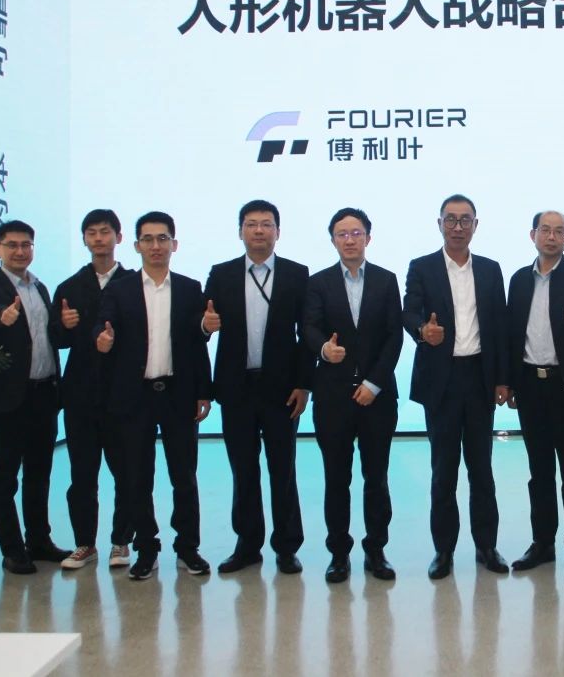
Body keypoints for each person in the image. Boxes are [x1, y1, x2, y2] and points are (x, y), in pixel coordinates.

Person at [96, 211, 212, 580]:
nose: (156, 246)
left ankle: (188, 548)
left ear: (174, 244)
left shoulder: (190, 288)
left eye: (163, 238)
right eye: (148, 239)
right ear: (136, 246)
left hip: (178, 394)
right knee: (137, 477)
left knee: (184, 476)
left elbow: (197, 342)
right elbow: (103, 325)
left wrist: (204, 390)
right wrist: (102, 338)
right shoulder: (120, 289)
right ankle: (146, 549)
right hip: (135, 396)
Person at [402, 194, 510, 579]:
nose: (458, 227)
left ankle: (486, 547)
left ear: (475, 226)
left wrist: (503, 378)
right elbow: (409, 310)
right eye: (451, 220)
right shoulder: (422, 267)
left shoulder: (490, 269)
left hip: (479, 378)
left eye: (466, 220)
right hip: (441, 383)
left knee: (482, 470)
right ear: (440, 224)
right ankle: (444, 551)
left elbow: (500, 326)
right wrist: (422, 330)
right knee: (443, 471)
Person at [202, 200, 310, 576]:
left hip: (282, 390)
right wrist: (204, 326)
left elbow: (306, 334)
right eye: (251, 224)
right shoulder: (222, 274)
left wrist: (304, 384)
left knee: (283, 470)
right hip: (237, 388)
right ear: (240, 232)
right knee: (243, 469)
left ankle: (287, 547)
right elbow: (204, 322)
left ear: (278, 231)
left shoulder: (297, 274)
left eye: (266, 224)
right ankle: (247, 545)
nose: (259, 230)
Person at [305, 208, 404, 583]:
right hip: (333, 397)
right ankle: (338, 554)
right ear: (333, 239)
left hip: (377, 398)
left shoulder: (386, 280)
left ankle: (376, 550)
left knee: (376, 478)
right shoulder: (318, 283)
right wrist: (323, 349)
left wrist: (374, 384)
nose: (350, 239)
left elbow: (394, 336)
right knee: (336, 478)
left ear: (368, 238)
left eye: (356, 233)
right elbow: (309, 327)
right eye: (342, 234)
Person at [0, 220, 70, 575]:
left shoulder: (40, 287)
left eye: (26, 245)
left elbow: (51, 337)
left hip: (45, 393)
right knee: (6, 476)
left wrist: (66, 325)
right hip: (10, 398)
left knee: (39, 473)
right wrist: (1, 316)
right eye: (11, 245)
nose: (19, 251)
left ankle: (39, 541)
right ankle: (12, 550)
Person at [505, 211, 564, 577]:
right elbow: (512, 332)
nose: (551, 236)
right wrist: (510, 381)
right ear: (533, 235)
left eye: (559, 231)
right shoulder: (519, 279)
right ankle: (542, 544)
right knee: (539, 472)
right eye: (545, 230)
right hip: (531, 386)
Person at [50, 209, 136, 570]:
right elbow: (56, 339)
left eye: (105, 231)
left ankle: (121, 541)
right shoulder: (69, 287)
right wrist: (65, 326)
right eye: (92, 233)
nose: (99, 238)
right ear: (84, 239)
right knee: (82, 475)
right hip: (81, 395)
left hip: (123, 393)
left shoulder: (134, 283)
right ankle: (85, 543)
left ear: (119, 237)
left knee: (126, 472)